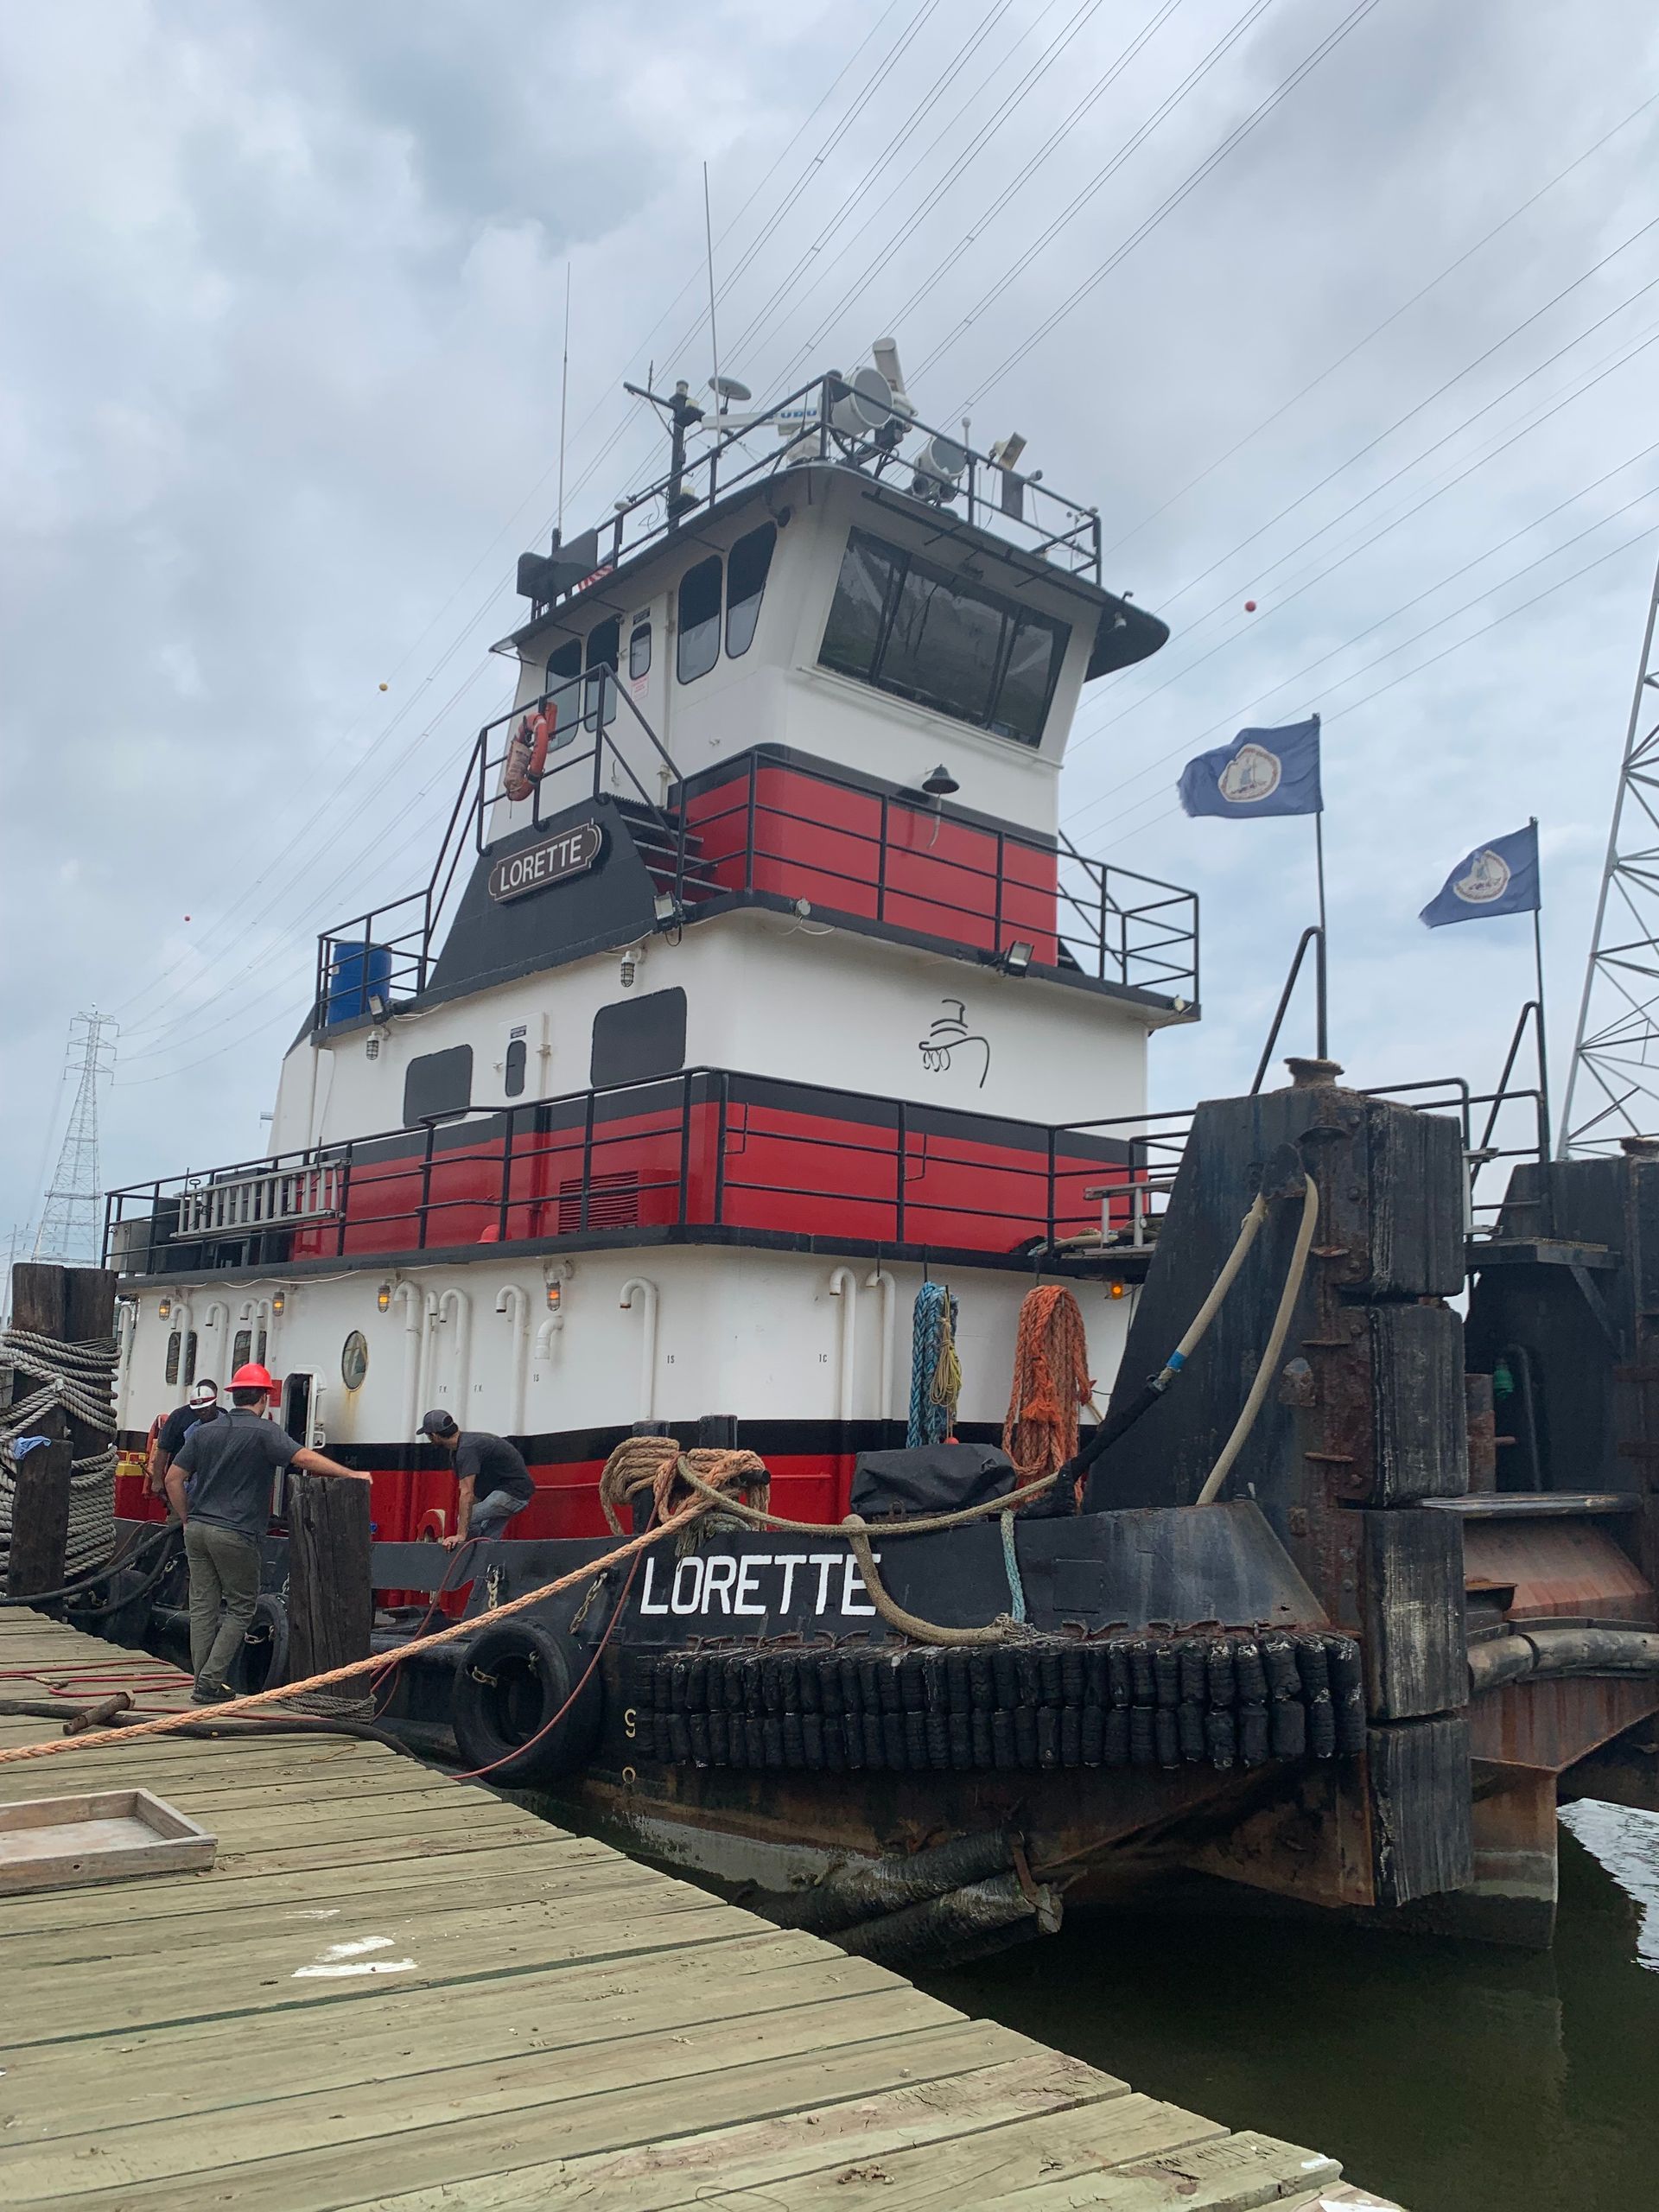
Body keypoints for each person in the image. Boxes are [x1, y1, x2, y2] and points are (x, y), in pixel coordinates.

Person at [167, 1361, 369, 1705]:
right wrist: (350, 1475)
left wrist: (187, 1519)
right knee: (242, 1608)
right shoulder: (264, 1432)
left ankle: (203, 1681)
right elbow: (304, 1459)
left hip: (197, 1529)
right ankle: (209, 1683)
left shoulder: (204, 1432)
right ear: (263, 1397)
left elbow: (173, 1478)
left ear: (233, 1395)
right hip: (236, 1531)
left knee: (202, 1607)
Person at [416, 1410, 535, 1547]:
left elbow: (466, 1493)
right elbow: (475, 1491)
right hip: (511, 1491)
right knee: (487, 1539)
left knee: (468, 1519)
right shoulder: (461, 1448)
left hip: (513, 1492)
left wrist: (460, 1535)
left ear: (435, 1435)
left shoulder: (467, 1449)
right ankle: (480, 1557)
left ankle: (466, 1547)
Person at [147, 1380, 225, 1503]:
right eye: (198, 1409)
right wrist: (157, 1480)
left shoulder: (227, 1422)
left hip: (218, 1488)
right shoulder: (182, 1420)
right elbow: (163, 1449)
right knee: (178, 1520)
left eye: (206, 1407)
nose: (202, 1412)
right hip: (185, 1485)